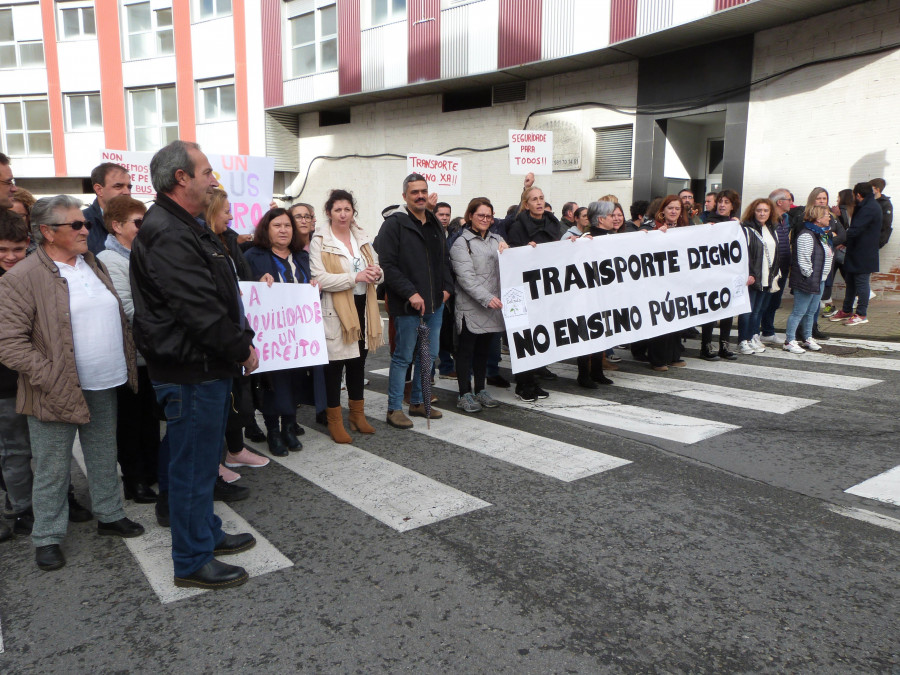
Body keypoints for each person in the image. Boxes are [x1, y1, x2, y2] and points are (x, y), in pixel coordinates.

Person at [130, 140, 258, 590]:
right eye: (205, 170)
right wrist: (242, 349)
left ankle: (204, 534)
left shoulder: (186, 226)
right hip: (191, 370)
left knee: (203, 465)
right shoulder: (168, 231)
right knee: (191, 468)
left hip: (205, 366)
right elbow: (198, 309)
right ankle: (190, 560)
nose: (213, 178)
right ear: (180, 178)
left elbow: (221, 295)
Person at [0, 195, 145, 572]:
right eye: (76, 225)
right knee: (52, 465)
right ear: (47, 232)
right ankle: (46, 537)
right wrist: (51, 376)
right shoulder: (23, 276)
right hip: (53, 389)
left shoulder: (92, 263)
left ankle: (110, 516)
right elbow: (9, 343)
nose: (85, 230)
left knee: (102, 452)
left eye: (84, 223)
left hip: (103, 380)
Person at [95, 195, 161, 504]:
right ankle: (134, 480)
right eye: (138, 223)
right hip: (129, 356)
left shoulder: (141, 254)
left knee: (148, 417)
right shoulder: (109, 260)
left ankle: (150, 471)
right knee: (131, 421)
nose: (143, 227)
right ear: (117, 225)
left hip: (148, 354)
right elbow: (130, 310)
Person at [374, 173, 452, 429]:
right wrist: (411, 293)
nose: (420, 195)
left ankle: (418, 401)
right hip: (407, 305)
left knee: (428, 356)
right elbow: (388, 265)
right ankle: (394, 408)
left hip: (435, 304)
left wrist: (447, 289)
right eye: (414, 192)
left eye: (423, 191)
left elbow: (443, 260)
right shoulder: (394, 224)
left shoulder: (434, 223)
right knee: (403, 357)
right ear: (405, 196)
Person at [309, 189, 383, 443]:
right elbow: (319, 278)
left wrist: (376, 273)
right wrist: (356, 277)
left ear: (353, 212)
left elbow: (376, 265)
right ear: (329, 212)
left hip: (363, 304)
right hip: (336, 307)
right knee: (334, 366)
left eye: (347, 209)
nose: (343, 214)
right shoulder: (320, 240)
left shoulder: (360, 236)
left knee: (358, 363)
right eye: (338, 209)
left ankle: (357, 414)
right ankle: (335, 420)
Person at [205, 189, 270, 479]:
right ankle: (213, 463)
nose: (231, 217)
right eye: (226, 211)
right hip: (218, 333)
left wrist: (259, 282)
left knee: (234, 395)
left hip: (235, 326)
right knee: (214, 402)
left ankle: (234, 450)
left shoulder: (228, 239)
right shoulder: (199, 245)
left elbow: (238, 282)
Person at [244, 208, 314, 455]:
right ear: (267, 228)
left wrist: (314, 286)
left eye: (287, 225)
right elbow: (242, 289)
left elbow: (306, 288)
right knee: (272, 383)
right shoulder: (253, 256)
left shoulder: (301, 257)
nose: (283, 230)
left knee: (295, 381)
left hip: (297, 334)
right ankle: (273, 431)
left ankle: (288, 427)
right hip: (269, 334)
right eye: (277, 225)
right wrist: (256, 281)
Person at [505, 184, 564, 401]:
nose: (539, 202)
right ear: (526, 204)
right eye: (534, 199)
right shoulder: (518, 226)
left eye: (541, 198)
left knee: (540, 334)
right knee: (525, 337)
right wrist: (524, 252)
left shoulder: (553, 223)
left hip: (545, 290)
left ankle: (534, 380)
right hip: (523, 290)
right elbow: (511, 257)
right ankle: (523, 384)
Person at [450, 198, 508, 412]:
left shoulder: (497, 240)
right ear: (470, 216)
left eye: (489, 216)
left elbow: (510, 266)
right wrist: (486, 298)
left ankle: (480, 389)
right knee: (466, 351)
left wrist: (511, 252)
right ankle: (464, 393)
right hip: (471, 306)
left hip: (492, 306)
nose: (485, 219)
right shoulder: (461, 243)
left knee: (484, 351)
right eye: (481, 215)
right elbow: (466, 278)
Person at [0, 210, 31, 542]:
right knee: (15, 449)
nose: (10, 256)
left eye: (17, 249)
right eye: (2, 250)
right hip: (5, 386)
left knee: (46, 447)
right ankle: (22, 509)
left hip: (34, 380)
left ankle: (53, 501)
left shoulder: (32, 276)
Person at [829, 182, 883, 326]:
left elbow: (856, 229)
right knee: (851, 283)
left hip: (863, 253)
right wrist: (845, 243)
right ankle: (847, 310)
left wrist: (837, 238)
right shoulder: (867, 205)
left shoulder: (869, 208)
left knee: (861, 284)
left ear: (858, 195)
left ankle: (861, 314)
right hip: (856, 251)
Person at [643, 196, 688, 371]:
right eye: (670, 208)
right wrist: (654, 236)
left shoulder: (686, 229)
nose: (674, 212)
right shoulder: (653, 229)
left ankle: (673, 355)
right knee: (661, 319)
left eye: (677, 208)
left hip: (679, 281)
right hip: (658, 282)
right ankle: (657, 359)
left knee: (677, 318)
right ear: (663, 210)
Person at [783, 205, 834, 353]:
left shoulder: (820, 234)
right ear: (818, 218)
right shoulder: (807, 235)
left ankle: (807, 338)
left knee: (811, 311)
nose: (829, 217)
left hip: (820, 279)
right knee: (799, 311)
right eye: (826, 215)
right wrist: (810, 276)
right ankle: (789, 340)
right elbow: (804, 260)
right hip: (809, 279)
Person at [699, 189, 741, 361]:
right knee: (711, 310)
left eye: (726, 202)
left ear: (733, 206)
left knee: (728, 310)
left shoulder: (735, 224)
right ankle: (706, 345)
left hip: (728, 273)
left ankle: (724, 344)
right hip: (712, 274)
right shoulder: (710, 222)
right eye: (720, 202)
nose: (722, 205)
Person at [736, 198, 780, 355]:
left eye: (765, 210)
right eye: (759, 210)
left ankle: (752, 336)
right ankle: (743, 340)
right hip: (753, 277)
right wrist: (748, 273)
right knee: (747, 310)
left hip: (767, 277)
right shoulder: (746, 229)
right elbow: (744, 254)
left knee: (758, 310)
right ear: (753, 212)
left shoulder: (771, 229)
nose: (762, 213)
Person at [83, 163, 133, 256]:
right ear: (99, 190)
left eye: (129, 187)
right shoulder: (81, 223)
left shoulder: (139, 221)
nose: (127, 192)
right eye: (118, 186)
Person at [870, 178, 892, 248]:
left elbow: (886, 223)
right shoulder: (869, 201)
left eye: (871, 188)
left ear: (877, 189)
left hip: (876, 238)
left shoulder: (885, 204)